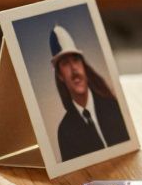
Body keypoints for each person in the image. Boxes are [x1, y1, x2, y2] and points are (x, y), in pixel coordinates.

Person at [50, 24, 130, 160]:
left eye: (76, 60)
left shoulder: (114, 107)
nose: (74, 69)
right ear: (60, 76)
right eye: (65, 63)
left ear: (83, 65)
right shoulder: (65, 131)